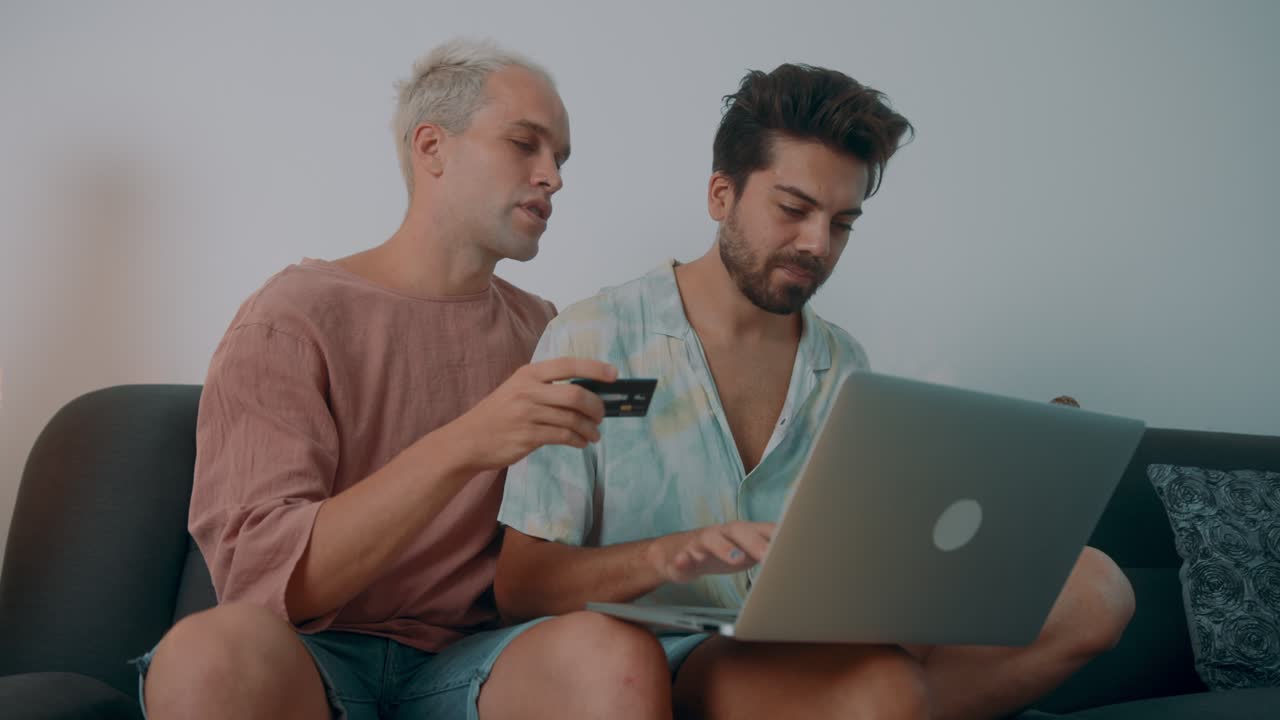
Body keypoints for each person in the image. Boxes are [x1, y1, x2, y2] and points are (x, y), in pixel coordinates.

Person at [496, 63, 1137, 719]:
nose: (817, 244)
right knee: (883, 690)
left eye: (842, 222)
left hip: (811, 645)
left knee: (1095, 591)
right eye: (793, 209)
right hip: (664, 658)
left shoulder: (844, 367)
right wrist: (667, 556)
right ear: (721, 195)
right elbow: (522, 587)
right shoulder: (595, 339)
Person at [136, 38, 674, 720]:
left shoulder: (548, 331)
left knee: (612, 658)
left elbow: (597, 518)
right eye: (524, 144)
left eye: (560, 159)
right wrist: (469, 442)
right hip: (310, 657)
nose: (552, 177)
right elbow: (259, 580)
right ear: (432, 147)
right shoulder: (291, 317)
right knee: (205, 653)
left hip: (477, 664)